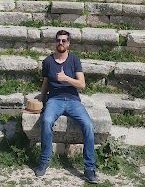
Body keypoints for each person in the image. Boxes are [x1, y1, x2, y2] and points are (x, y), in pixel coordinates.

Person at [34, 29, 98, 184]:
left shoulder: (74, 60)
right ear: (55, 42)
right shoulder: (48, 61)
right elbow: (46, 83)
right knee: (47, 121)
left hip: (72, 100)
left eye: (64, 40)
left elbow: (82, 84)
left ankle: (89, 168)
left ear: (68, 43)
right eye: (58, 40)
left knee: (88, 125)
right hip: (54, 100)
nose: (60, 43)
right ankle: (44, 161)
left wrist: (66, 78)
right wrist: (41, 99)